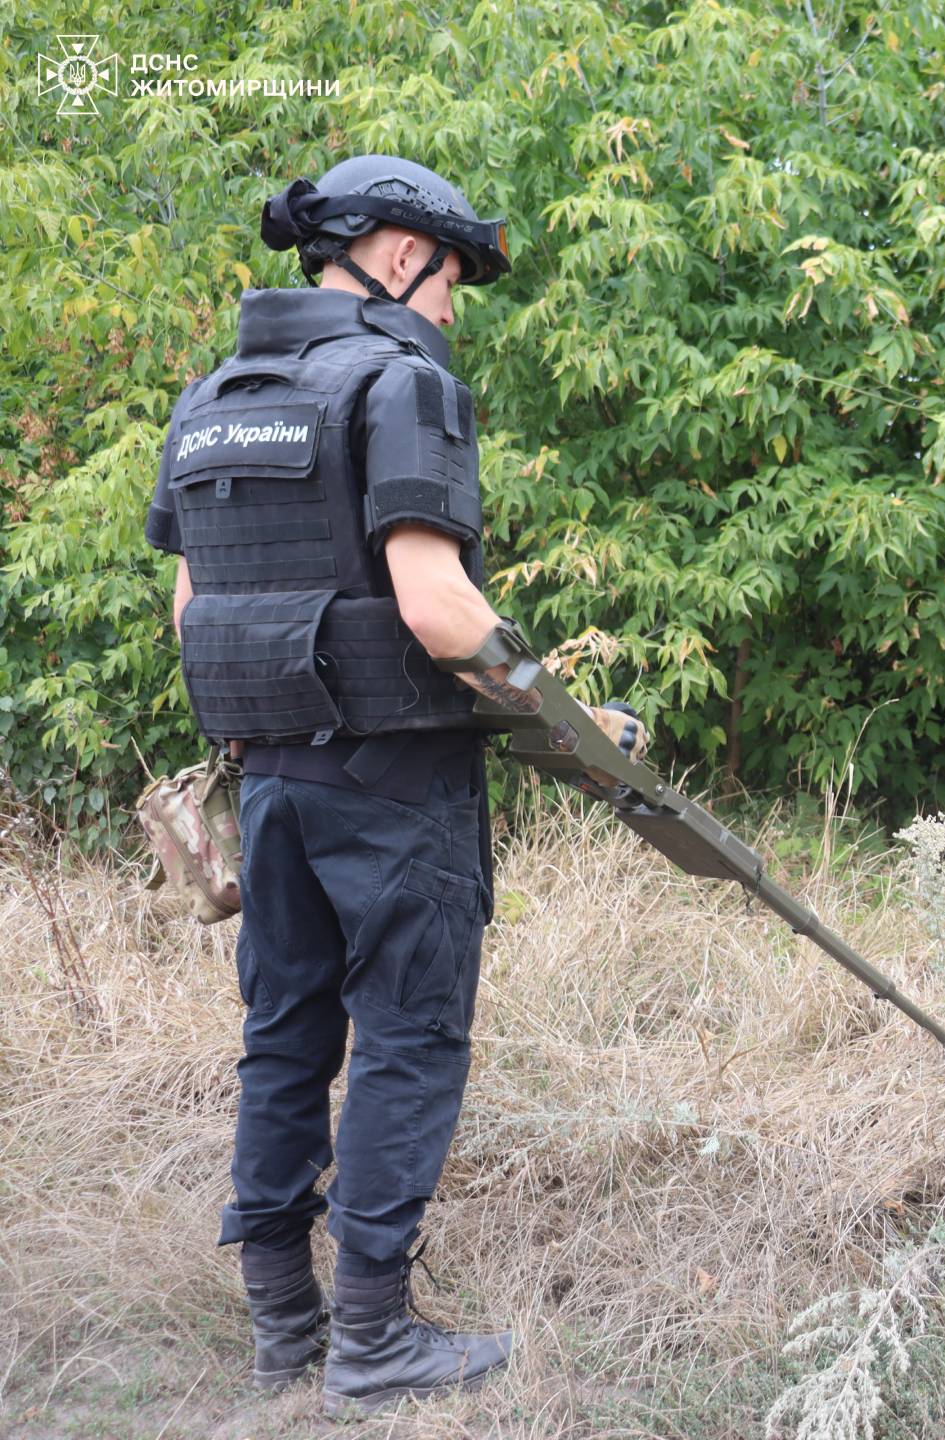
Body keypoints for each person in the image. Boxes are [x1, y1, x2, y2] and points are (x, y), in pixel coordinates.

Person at [142, 155, 643, 1415]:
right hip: (395, 786)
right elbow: (434, 606)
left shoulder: (210, 401)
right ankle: (374, 1340)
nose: (455, 306)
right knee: (410, 1041)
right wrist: (566, 715)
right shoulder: (400, 380)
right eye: (452, 275)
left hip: (272, 786)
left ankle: (283, 1331)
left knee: (285, 1038)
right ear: (393, 253)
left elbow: (194, 612)